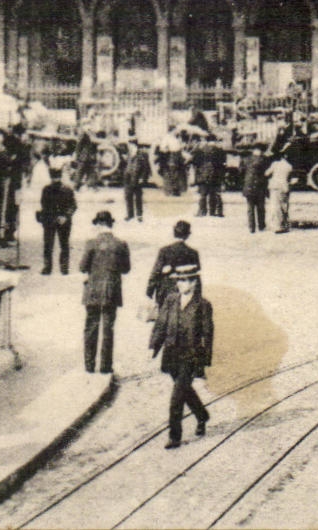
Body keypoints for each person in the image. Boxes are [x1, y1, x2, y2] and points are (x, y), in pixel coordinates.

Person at [149, 263, 213, 449]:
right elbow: (161, 324)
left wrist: (205, 361)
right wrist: (153, 348)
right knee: (184, 390)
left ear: (194, 282)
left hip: (191, 356)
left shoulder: (203, 305)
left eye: (184, 281)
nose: (180, 285)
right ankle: (202, 415)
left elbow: (208, 334)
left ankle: (174, 436)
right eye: (178, 281)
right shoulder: (170, 300)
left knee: (176, 397)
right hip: (171, 354)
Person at [80, 210, 131, 375]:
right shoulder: (121, 244)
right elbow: (126, 269)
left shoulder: (91, 243)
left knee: (91, 327)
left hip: (93, 290)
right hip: (112, 291)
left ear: (98, 225)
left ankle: (89, 366)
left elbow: (82, 267)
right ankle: (105, 367)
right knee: (108, 329)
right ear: (111, 224)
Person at [147, 220, 201, 305]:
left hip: (167, 291)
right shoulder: (193, 253)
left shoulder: (164, 251)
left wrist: (149, 291)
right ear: (187, 235)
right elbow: (196, 273)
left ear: (174, 233)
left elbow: (156, 272)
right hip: (187, 291)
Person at [38, 169, 77, 275]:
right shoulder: (46, 190)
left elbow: (73, 205)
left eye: (57, 177)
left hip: (64, 221)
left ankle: (64, 268)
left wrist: (65, 216)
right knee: (48, 245)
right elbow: (43, 204)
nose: (55, 180)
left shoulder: (67, 190)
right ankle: (47, 267)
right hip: (50, 220)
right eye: (54, 178)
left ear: (60, 177)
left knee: (64, 244)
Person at [196, 135, 225, 217]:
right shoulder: (220, 151)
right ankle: (215, 211)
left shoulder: (201, 150)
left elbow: (196, 162)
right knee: (215, 193)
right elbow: (223, 164)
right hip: (216, 175)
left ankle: (202, 211)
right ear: (215, 141)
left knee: (203, 194)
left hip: (203, 174)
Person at [241, 145, 268, 234]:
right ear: (260, 151)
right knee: (260, 208)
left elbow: (241, 171)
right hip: (260, 186)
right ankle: (261, 226)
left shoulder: (245, 159)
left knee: (250, 208)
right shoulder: (263, 160)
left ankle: (251, 227)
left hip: (248, 186)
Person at [121, 142, 149, 223]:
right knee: (128, 197)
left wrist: (142, 178)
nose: (130, 147)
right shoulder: (129, 154)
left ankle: (139, 215)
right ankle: (130, 214)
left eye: (132, 145)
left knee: (138, 198)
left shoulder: (142, 155)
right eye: (130, 145)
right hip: (128, 178)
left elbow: (145, 168)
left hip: (137, 178)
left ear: (136, 146)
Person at [267, 154, 293, 234]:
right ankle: (285, 225)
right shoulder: (289, 166)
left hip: (275, 187)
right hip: (284, 188)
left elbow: (267, 173)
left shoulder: (275, 164)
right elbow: (289, 178)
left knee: (275, 207)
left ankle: (277, 226)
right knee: (284, 206)